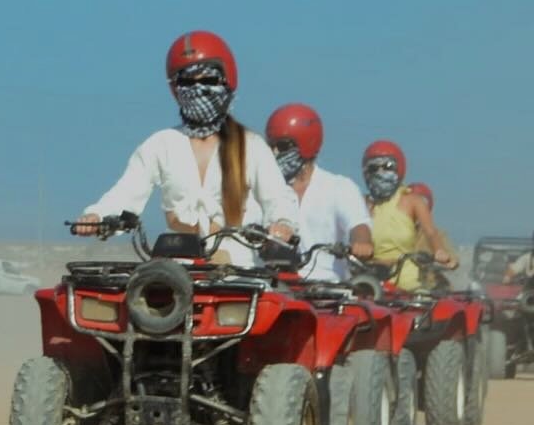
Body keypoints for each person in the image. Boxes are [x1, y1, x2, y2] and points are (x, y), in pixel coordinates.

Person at [73, 31, 298, 267]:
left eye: (208, 81)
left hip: (235, 269)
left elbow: (277, 198)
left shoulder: (250, 145)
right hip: (175, 264)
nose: (197, 89)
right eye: (187, 82)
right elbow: (127, 192)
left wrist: (282, 223)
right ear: (174, 88)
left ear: (227, 81)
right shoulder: (161, 144)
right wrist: (97, 216)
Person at [264, 103, 372, 283]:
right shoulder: (265, 189)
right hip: (276, 284)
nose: (275, 153)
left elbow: (358, 225)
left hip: (326, 286)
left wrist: (362, 242)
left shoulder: (339, 187)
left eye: (282, 146)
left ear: (307, 144)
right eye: (270, 146)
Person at [361, 141, 454, 290]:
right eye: (373, 168)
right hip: (370, 278)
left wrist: (439, 251)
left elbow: (431, 232)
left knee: (421, 300)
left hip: (405, 277)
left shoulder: (413, 201)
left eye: (387, 166)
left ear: (399, 168)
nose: (380, 172)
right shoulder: (361, 204)